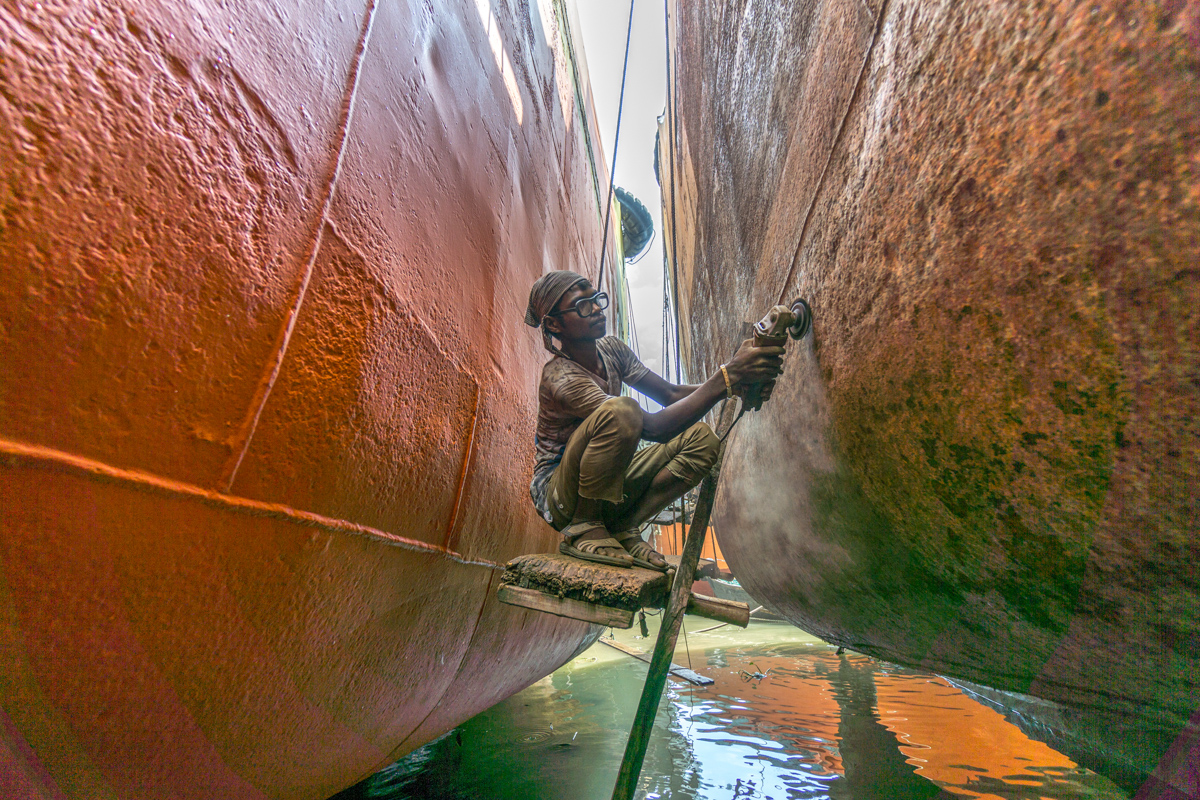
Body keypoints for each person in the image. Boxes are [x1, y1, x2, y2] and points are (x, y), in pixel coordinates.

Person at [524, 270, 784, 570]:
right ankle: (585, 527)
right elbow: (652, 428)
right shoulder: (560, 377)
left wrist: (733, 387)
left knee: (702, 440)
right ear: (555, 324)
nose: (596, 309)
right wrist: (728, 376)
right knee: (623, 410)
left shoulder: (612, 350)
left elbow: (670, 393)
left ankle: (625, 527)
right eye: (583, 305)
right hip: (560, 497)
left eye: (597, 299)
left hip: (608, 480)